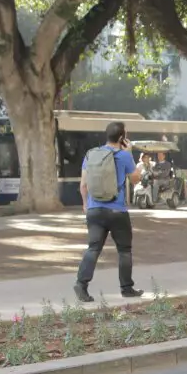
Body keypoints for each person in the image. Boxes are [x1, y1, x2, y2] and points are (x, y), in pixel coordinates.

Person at [74, 120, 143, 302]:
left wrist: (85, 205)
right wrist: (129, 154)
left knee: (93, 248)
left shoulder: (91, 155)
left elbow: (83, 185)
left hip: (94, 210)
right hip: (117, 211)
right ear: (122, 138)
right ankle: (127, 288)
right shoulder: (124, 155)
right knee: (124, 250)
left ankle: (81, 285)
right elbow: (136, 179)